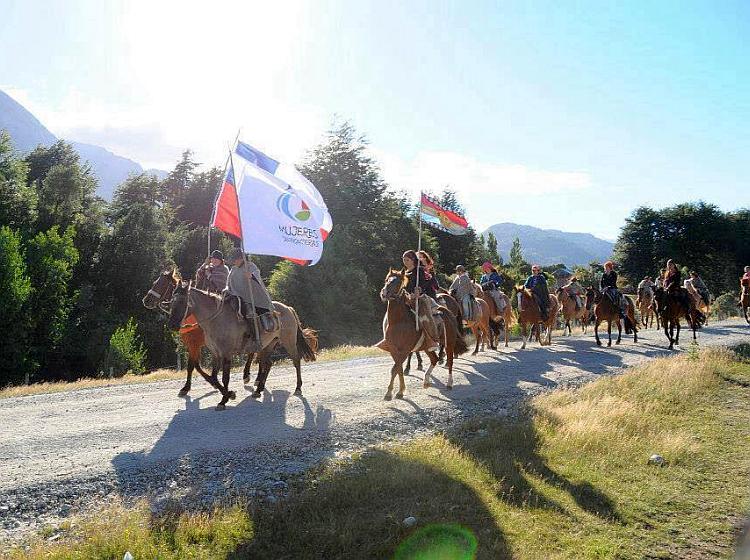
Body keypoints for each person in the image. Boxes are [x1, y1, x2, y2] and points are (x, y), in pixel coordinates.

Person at [225, 247, 276, 334]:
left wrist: (252, 276)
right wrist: (226, 289)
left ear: (241, 259)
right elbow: (228, 283)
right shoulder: (233, 269)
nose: (234, 262)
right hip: (237, 296)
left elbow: (257, 275)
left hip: (253, 296)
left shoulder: (250, 266)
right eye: (233, 260)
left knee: (254, 311)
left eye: (236, 259)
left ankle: (264, 329)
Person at [402, 250, 440, 347]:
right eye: (404, 260)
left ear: (413, 260)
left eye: (407, 260)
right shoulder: (404, 272)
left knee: (425, 316)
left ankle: (432, 339)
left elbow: (425, 282)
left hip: (421, 297)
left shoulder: (420, 270)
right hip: (407, 298)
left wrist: (419, 289)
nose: (405, 262)